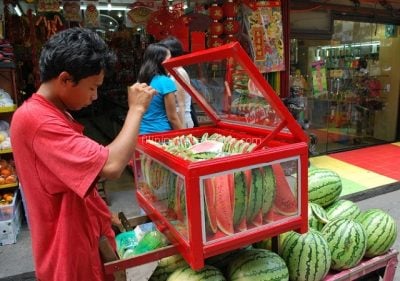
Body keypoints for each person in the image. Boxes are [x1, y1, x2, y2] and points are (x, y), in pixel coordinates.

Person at [10, 27, 156, 281]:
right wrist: (136, 110)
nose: (95, 96)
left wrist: (104, 215)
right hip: (69, 253)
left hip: (83, 238)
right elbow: (110, 166)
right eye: (92, 87)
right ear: (65, 79)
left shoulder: (53, 112)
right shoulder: (38, 120)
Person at [137, 43, 183, 134]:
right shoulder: (165, 82)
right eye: (169, 59)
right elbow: (172, 117)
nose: (171, 61)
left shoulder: (141, 81)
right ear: (160, 61)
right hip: (161, 135)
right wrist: (185, 135)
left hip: (141, 132)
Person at [160, 36, 197, 128]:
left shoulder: (178, 72)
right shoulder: (172, 71)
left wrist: (182, 130)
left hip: (182, 120)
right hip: (178, 119)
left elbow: (181, 104)